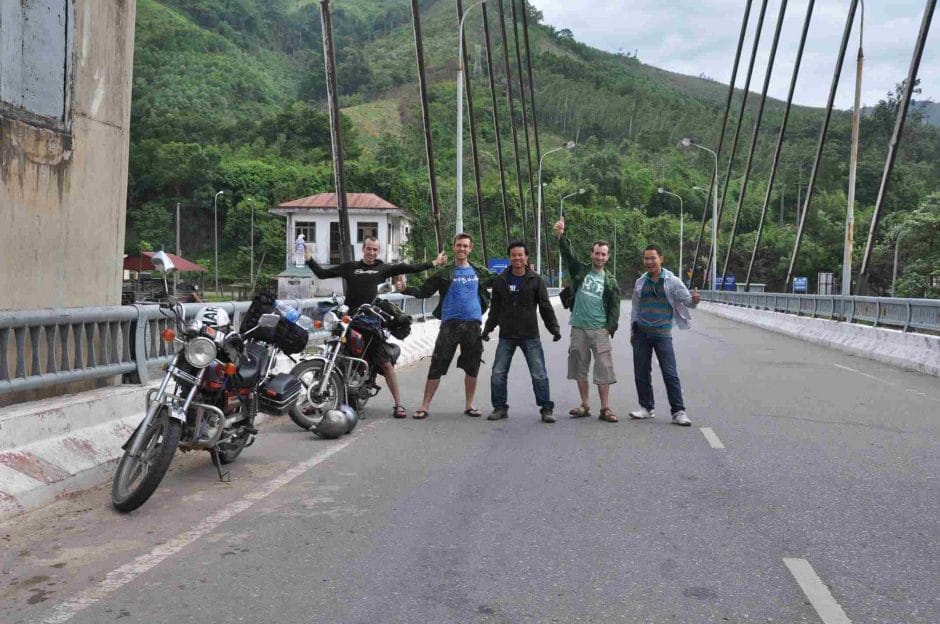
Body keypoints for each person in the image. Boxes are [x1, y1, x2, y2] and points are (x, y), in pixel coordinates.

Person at [306, 237, 446, 419]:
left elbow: (408, 268)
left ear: (377, 251)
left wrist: (434, 263)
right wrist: (308, 258)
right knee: (334, 357)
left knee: (386, 364)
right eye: (368, 249)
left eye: (374, 250)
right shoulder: (350, 267)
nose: (371, 253)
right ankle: (316, 399)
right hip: (349, 320)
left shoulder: (383, 268)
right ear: (362, 249)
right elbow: (322, 274)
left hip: (371, 323)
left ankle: (398, 404)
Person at [403, 233, 495, 419]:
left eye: (465, 246)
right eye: (459, 245)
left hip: (472, 324)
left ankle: (469, 404)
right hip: (449, 324)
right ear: (454, 247)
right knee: (437, 364)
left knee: (472, 366)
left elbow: (499, 283)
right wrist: (405, 289)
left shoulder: (480, 271)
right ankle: (425, 405)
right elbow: (424, 291)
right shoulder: (444, 273)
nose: (462, 249)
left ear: (470, 249)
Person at [482, 241, 561, 424]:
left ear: (526, 257)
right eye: (513, 255)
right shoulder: (500, 280)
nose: (517, 258)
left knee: (539, 373)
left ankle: (546, 408)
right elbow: (495, 309)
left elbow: (545, 307)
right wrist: (487, 329)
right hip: (507, 335)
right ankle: (500, 407)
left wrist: (554, 328)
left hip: (530, 334)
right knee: (498, 373)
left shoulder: (536, 280)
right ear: (509, 257)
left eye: (520, 255)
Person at [553, 217, 621, 423]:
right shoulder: (581, 271)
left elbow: (614, 307)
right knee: (579, 367)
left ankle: (605, 408)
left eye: (603, 254)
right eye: (596, 253)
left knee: (604, 369)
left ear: (607, 257)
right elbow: (568, 254)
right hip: (579, 328)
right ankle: (584, 404)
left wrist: (609, 328)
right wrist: (561, 235)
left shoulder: (610, 280)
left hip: (600, 330)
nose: (599, 257)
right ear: (591, 254)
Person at [628, 245, 701, 426]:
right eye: (646, 258)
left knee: (670, 373)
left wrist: (694, 300)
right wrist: (633, 330)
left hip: (662, 334)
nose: (649, 262)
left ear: (661, 259)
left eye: (653, 258)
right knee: (641, 372)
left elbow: (688, 302)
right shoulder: (640, 282)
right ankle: (646, 408)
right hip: (641, 333)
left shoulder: (672, 281)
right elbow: (635, 308)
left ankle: (678, 411)